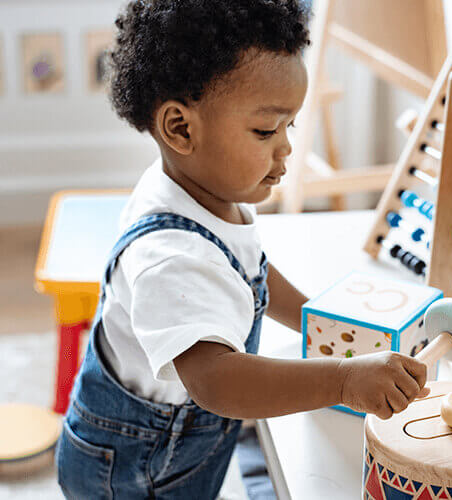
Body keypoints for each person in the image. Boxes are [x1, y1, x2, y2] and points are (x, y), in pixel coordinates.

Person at [55, 1, 430, 497]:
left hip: (175, 446)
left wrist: (318, 319)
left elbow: (252, 272)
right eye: (266, 130)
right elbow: (217, 381)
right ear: (181, 128)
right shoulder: (170, 258)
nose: (286, 148)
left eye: (289, 126)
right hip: (131, 469)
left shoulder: (208, 193)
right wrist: (341, 380)